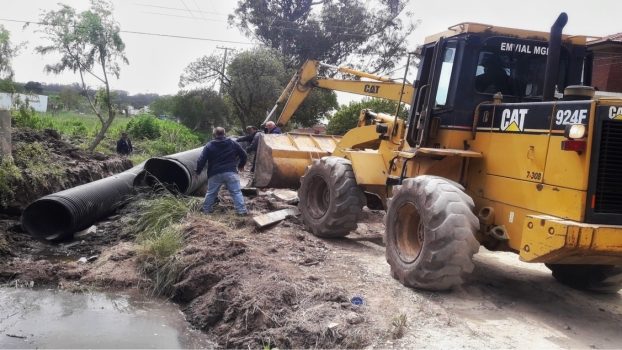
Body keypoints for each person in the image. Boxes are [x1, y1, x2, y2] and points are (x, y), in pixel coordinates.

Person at [196, 127, 248, 215]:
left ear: (214, 134)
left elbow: (201, 160)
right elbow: (244, 155)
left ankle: (206, 210)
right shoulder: (232, 143)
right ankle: (241, 211)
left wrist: (198, 171)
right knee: (236, 192)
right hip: (231, 172)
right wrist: (241, 165)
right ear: (224, 133)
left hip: (215, 173)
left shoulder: (209, 145)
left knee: (211, 193)